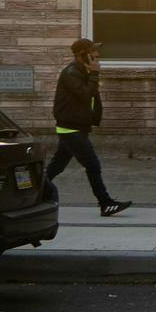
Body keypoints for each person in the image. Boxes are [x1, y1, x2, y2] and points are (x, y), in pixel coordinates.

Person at [44, 38, 132, 217]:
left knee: (57, 166)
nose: (97, 55)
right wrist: (94, 74)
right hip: (71, 129)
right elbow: (85, 95)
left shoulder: (81, 71)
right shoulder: (71, 73)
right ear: (81, 55)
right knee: (92, 165)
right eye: (93, 52)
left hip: (75, 127)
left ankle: (35, 192)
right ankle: (105, 203)